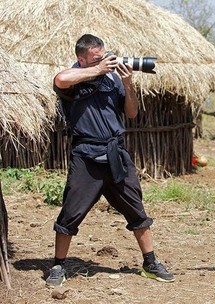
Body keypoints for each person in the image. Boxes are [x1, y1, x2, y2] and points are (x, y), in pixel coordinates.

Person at [46, 34, 175, 287]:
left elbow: (132, 112)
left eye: (104, 56)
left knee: (137, 210)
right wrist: (97, 69)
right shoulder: (72, 79)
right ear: (80, 58)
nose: (104, 61)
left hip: (116, 154)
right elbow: (60, 80)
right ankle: (58, 265)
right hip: (86, 157)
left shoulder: (112, 79)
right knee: (70, 214)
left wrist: (127, 83)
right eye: (96, 58)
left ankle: (150, 263)